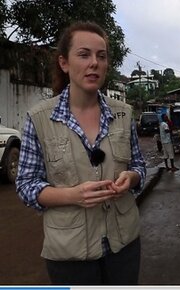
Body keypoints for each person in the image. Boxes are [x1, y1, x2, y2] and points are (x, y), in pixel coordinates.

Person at [15, 21, 146, 285]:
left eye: (101, 56)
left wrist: (131, 178)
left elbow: (140, 166)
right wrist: (73, 195)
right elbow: (26, 185)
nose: (94, 63)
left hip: (124, 247)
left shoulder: (123, 113)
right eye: (84, 55)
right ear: (64, 63)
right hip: (69, 254)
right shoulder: (39, 119)